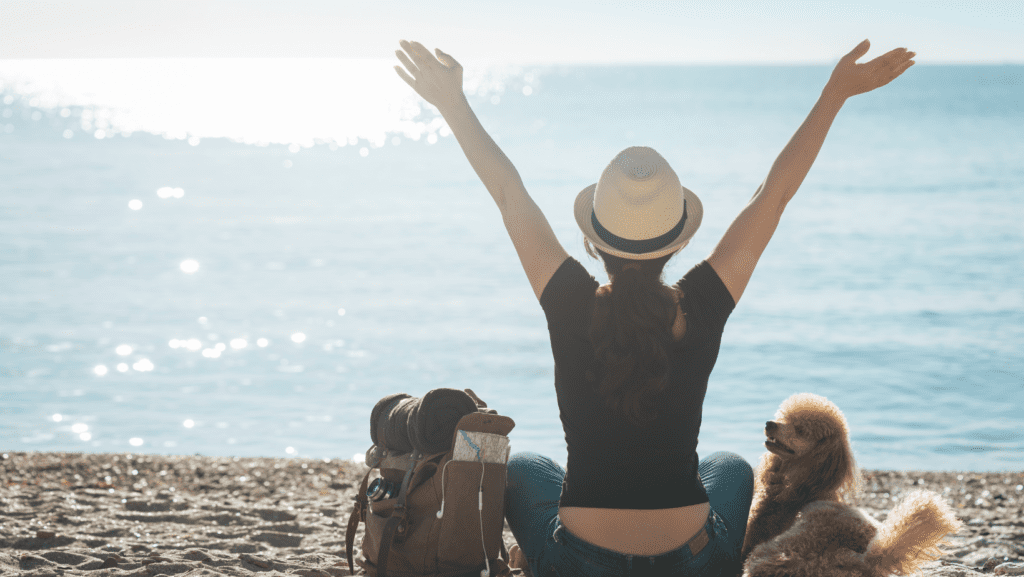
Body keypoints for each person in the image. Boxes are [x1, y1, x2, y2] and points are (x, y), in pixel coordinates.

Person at [394, 38, 915, 577]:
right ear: (680, 241)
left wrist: (452, 103)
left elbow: (508, 191)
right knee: (731, 469)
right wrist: (836, 94)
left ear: (593, 243)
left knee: (524, 467)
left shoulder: (568, 299)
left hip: (580, 564)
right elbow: (773, 194)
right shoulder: (704, 303)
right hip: (689, 563)